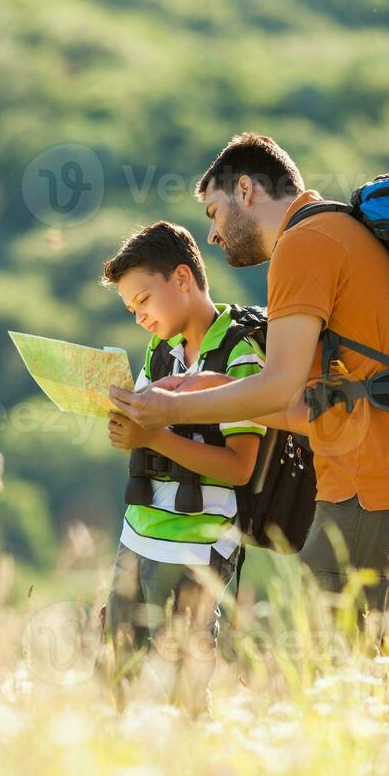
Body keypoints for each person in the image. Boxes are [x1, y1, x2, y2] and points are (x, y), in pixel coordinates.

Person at [108, 133, 389, 627]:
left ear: (247, 190)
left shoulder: (303, 246)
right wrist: (209, 387)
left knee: (320, 669)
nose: (213, 234)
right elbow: (301, 408)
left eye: (214, 212)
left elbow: (277, 385)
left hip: (372, 491)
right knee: (376, 669)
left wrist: (168, 413)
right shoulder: (341, 231)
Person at [100, 221, 267, 708]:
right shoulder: (159, 351)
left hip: (199, 544)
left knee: (181, 680)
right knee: (118, 668)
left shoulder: (241, 354)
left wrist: (152, 435)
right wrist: (128, 431)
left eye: (144, 301)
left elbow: (239, 467)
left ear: (181, 278)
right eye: (132, 310)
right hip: (139, 532)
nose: (140, 318)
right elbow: (148, 437)